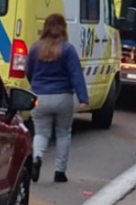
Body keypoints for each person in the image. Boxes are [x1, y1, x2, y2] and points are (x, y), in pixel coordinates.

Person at [26, 14, 89, 183]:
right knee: (63, 133)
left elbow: (29, 72)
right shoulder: (67, 49)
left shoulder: (35, 48)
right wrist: (83, 97)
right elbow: (76, 75)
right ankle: (59, 172)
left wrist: (36, 85)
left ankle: (37, 158)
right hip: (63, 97)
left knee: (41, 133)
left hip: (40, 97)